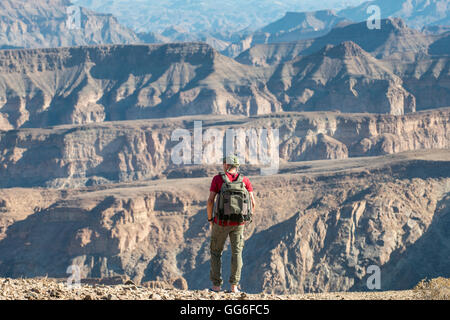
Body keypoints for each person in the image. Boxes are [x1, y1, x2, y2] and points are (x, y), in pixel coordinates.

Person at [207, 154, 256, 293]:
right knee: (237, 253)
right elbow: (253, 202)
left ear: (226, 165)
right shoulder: (245, 180)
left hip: (220, 222)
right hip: (239, 223)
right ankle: (234, 287)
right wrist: (247, 218)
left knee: (216, 252)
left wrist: (210, 219)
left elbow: (210, 201)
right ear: (237, 166)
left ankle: (216, 287)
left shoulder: (218, 179)